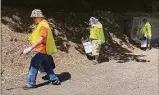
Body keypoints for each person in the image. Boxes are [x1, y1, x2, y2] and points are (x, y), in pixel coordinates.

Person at [22, 9, 60, 90]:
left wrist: (30, 48)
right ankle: (54, 80)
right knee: (46, 64)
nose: (33, 19)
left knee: (33, 64)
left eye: (34, 17)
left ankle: (31, 84)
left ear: (39, 17)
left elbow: (41, 39)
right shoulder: (43, 23)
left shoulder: (43, 26)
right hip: (45, 49)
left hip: (42, 49)